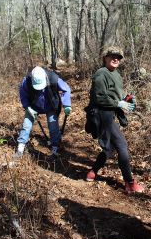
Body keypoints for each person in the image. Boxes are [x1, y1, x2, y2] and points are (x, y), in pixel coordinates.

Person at [85, 46, 144, 194]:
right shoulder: (101, 74)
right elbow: (99, 97)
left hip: (109, 113)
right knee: (122, 145)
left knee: (109, 148)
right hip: (100, 115)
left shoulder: (116, 75)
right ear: (105, 58)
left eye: (119, 57)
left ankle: (92, 172)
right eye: (112, 56)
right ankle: (130, 183)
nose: (116, 59)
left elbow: (113, 97)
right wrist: (118, 103)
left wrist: (126, 100)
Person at [15, 66, 71, 159]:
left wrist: (67, 104)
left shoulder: (53, 78)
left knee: (53, 125)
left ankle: (55, 148)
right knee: (26, 125)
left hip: (50, 105)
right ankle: (20, 149)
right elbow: (23, 94)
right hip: (33, 107)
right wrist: (27, 108)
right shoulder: (27, 81)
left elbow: (66, 89)